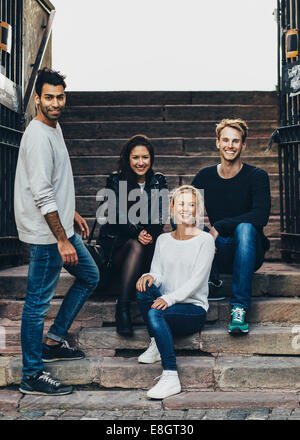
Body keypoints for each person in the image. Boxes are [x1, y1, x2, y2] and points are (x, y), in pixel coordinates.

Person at [14, 68, 99, 396]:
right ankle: (32, 374)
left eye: (60, 96)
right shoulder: (37, 136)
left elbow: (53, 182)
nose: (55, 102)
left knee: (90, 276)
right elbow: (42, 193)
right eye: (48, 97)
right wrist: (62, 238)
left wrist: (70, 211)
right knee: (36, 303)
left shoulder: (54, 126)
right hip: (47, 235)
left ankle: (52, 341)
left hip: (60, 225)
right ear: (37, 98)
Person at [192, 118, 271, 334]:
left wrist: (219, 226)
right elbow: (186, 211)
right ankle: (211, 277)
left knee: (245, 227)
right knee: (184, 220)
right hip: (219, 251)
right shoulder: (205, 176)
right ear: (217, 142)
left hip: (248, 251)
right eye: (225, 140)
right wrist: (206, 235)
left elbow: (260, 216)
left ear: (243, 145)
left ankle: (239, 309)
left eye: (235, 141)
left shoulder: (257, 176)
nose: (230, 145)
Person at [136, 185, 215, 399]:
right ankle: (155, 341)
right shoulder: (163, 240)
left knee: (155, 312)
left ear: (198, 210)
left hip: (191, 309)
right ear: (172, 207)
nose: (186, 209)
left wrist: (168, 299)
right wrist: (149, 277)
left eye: (191, 205)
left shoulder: (205, 240)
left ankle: (170, 375)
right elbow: (158, 273)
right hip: (167, 302)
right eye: (181, 204)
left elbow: (196, 282)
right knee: (143, 286)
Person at [97, 134, 168, 336]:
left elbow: (161, 213)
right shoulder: (115, 180)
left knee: (162, 242)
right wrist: (137, 232)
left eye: (145, 157)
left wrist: (148, 233)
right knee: (136, 245)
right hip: (119, 250)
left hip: (147, 246)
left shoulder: (158, 181)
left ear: (151, 158)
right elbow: (117, 215)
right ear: (128, 158)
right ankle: (123, 308)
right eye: (135, 157)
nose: (140, 162)